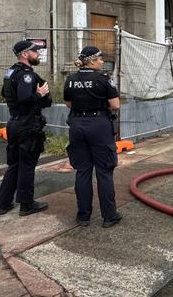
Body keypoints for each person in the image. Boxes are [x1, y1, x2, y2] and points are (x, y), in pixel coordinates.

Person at [64, 46, 122, 228]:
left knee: (82, 171)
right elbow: (115, 105)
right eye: (99, 59)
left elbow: (68, 104)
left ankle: (83, 216)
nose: (102, 61)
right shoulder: (103, 79)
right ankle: (109, 216)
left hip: (77, 125)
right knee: (104, 171)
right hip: (99, 126)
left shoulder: (71, 79)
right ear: (91, 60)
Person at [0, 40, 51, 216]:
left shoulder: (10, 72)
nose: (38, 54)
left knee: (14, 165)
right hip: (27, 125)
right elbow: (24, 99)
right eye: (35, 51)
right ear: (25, 54)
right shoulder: (26, 75)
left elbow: (5, 93)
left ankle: (3, 204)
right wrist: (39, 94)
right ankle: (26, 204)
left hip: (14, 123)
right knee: (27, 165)